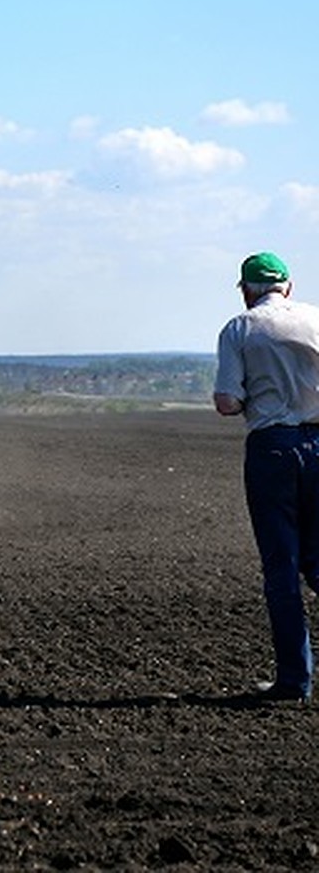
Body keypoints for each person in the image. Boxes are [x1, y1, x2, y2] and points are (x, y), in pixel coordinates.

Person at [213, 251, 319, 702]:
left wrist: (253, 400)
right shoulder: (316, 320)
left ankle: (295, 681)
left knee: (282, 566)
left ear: (246, 290)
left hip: (272, 450)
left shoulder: (240, 329)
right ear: (288, 287)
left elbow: (226, 401)